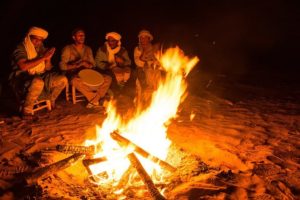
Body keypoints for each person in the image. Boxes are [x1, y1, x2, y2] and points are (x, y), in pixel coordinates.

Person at [9, 26, 67, 118]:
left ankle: (51, 100)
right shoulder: (21, 48)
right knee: (38, 82)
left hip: (40, 74)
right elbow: (23, 66)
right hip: (22, 77)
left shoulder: (41, 47)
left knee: (62, 79)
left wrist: (48, 58)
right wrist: (43, 57)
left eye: (40, 40)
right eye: (35, 39)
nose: (38, 42)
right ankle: (26, 110)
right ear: (28, 37)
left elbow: (47, 68)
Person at [59, 28, 112, 108]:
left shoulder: (88, 49)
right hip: (75, 74)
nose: (82, 37)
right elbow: (62, 66)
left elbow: (93, 65)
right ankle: (98, 99)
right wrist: (77, 65)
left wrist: (87, 64)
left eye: (83, 35)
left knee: (108, 78)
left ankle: (94, 101)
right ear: (74, 37)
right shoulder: (68, 48)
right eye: (79, 35)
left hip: (88, 73)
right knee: (74, 80)